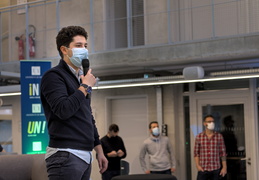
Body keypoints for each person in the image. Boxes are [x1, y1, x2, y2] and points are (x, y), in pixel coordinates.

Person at [40, 25, 108, 180]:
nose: (83, 50)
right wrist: (84, 87)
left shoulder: (79, 79)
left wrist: (99, 149)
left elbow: (87, 116)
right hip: (65, 154)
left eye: (85, 46)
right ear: (64, 50)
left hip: (84, 154)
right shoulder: (53, 76)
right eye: (78, 46)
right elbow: (63, 110)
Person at [194, 114, 227, 180]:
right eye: (209, 122)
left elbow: (223, 153)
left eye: (213, 122)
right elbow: (196, 153)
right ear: (204, 123)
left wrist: (224, 167)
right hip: (203, 170)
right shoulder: (199, 137)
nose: (211, 123)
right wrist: (198, 166)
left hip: (215, 170)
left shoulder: (219, 136)